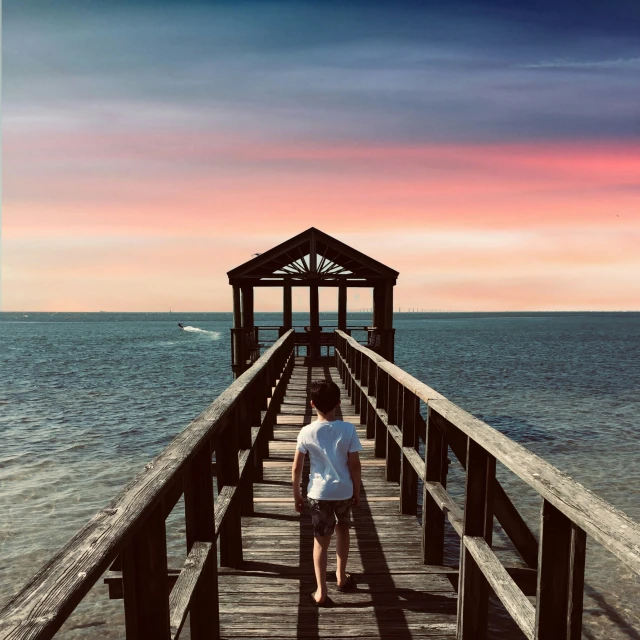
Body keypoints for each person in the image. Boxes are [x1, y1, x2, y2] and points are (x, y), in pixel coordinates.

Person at [291, 380, 363, 606]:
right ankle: (341, 578)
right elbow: (355, 465)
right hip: (343, 491)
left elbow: (296, 468)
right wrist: (357, 490)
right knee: (343, 529)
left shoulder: (306, 432)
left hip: (318, 493)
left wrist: (297, 495)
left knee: (321, 541)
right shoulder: (348, 429)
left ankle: (321, 591)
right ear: (339, 403)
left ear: (312, 404)